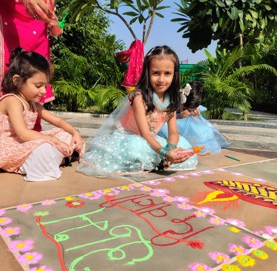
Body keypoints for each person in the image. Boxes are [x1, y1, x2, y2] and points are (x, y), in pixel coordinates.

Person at [77, 45, 198, 177]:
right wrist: (163, 152)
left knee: (183, 147)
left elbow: (173, 132)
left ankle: (162, 160)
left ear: (174, 75)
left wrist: (170, 149)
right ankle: (157, 160)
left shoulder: (172, 100)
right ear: (147, 73)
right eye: (156, 73)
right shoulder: (139, 98)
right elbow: (145, 133)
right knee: (135, 148)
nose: (161, 79)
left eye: (167, 73)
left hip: (152, 140)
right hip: (130, 137)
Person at [0, 47, 84, 181]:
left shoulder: (34, 105)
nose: (44, 91)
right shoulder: (12, 101)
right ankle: (43, 161)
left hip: (25, 143)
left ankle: (52, 158)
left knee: (65, 136)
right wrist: (53, 140)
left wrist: (75, 133)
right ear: (17, 81)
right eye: (38, 86)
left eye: (45, 86)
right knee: (46, 147)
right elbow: (22, 133)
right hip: (7, 147)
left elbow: (59, 122)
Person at [0, 0, 62, 131]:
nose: (43, 90)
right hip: (7, 2)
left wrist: (49, 8)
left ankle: (32, 130)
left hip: (36, 17)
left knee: (33, 71)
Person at [158, 81, 231, 155]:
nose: (186, 111)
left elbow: (199, 127)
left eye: (190, 110)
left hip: (185, 134)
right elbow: (163, 121)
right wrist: (179, 117)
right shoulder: (172, 103)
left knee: (205, 132)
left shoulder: (194, 109)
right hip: (171, 129)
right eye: (184, 108)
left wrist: (196, 118)